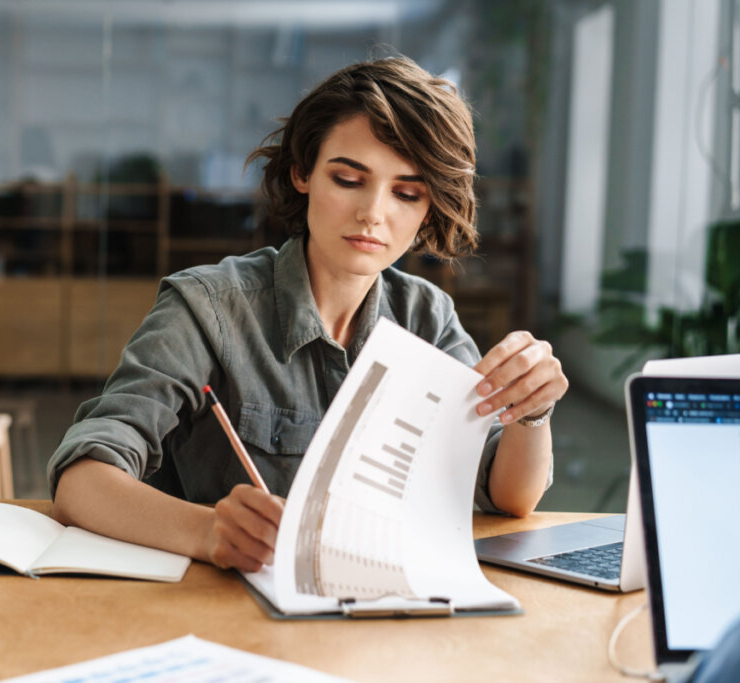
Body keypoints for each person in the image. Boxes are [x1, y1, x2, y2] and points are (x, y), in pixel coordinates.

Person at [48, 54, 568, 573]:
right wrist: (207, 532)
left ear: (428, 207)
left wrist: (532, 412)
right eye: (348, 179)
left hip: (376, 614)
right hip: (218, 614)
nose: (373, 213)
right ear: (302, 173)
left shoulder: (428, 318)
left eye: (406, 192)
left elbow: (508, 498)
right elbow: (82, 479)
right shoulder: (208, 307)